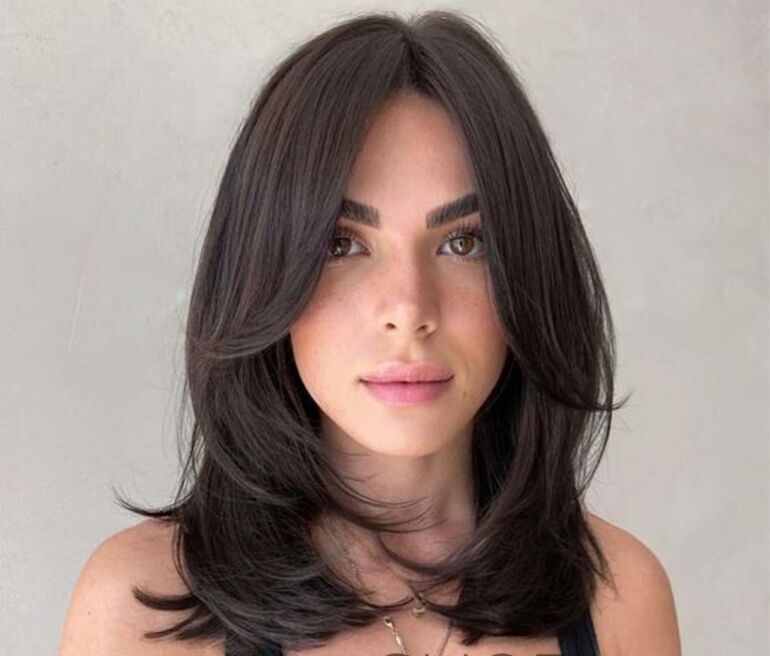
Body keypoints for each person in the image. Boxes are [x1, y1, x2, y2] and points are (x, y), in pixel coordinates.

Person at [59, 9, 681, 656]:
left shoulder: (620, 599)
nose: (408, 309)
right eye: (342, 244)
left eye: (463, 243)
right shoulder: (138, 612)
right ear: (263, 272)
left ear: (528, 270)